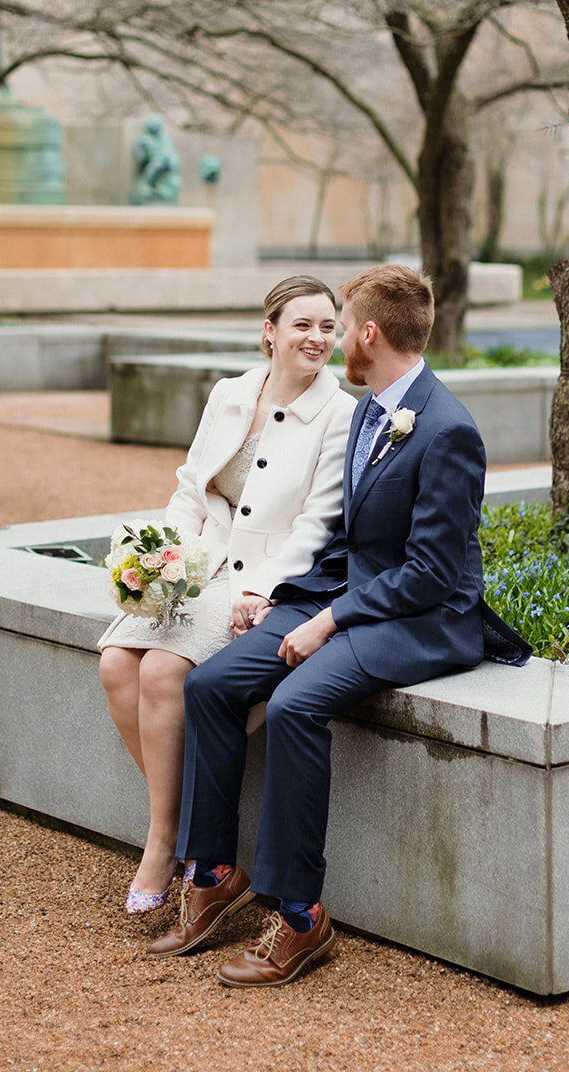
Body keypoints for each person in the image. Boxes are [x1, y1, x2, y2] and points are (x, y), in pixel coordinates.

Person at [150, 264, 530, 986]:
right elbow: (347, 538)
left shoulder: (448, 430)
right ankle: (215, 872)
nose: (331, 340)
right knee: (213, 684)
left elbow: (432, 574)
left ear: (367, 333)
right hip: (346, 594)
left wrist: (327, 620)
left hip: (421, 619)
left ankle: (300, 918)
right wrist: (278, 593)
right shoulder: (369, 409)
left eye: (340, 323)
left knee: (294, 706)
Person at [97, 276, 356, 916]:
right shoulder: (231, 393)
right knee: (114, 663)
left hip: (260, 579)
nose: (318, 339)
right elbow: (191, 487)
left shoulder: (341, 414)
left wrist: (263, 588)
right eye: (303, 325)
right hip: (201, 561)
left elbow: (317, 527)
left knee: (161, 671)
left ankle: (163, 843)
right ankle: (190, 833)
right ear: (269, 331)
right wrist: (162, 557)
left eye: (328, 327)